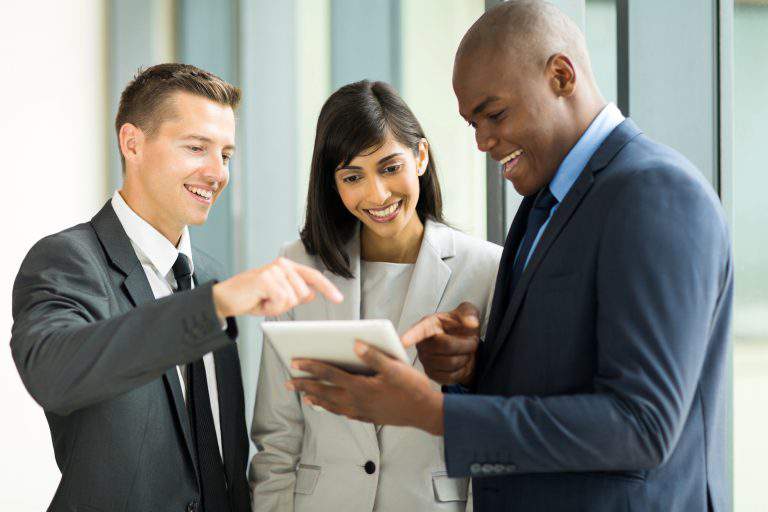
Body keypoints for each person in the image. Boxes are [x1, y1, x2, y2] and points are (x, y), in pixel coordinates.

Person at [288, 2, 733, 511]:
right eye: (473, 122)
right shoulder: (541, 208)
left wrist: (432, 411)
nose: (482, 141)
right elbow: (563, 379)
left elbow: (642, 426)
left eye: (494, 114)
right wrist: (472, 366)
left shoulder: (655, 193)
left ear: (561, 76)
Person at [10, 63, 342, 512]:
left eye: (225, 155)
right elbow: (53, 375)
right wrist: (214, 306)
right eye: (196, 148)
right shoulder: (69, 260)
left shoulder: (208, 275)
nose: (217, 173)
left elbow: (223, 457)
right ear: (133, 143)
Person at [249, 80, 502, 511]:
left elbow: (491, 433)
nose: (377, 195)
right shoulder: (299, 269)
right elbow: (277, 438)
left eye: (389, 167)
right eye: (353, 177)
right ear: (334, 183)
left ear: (420, 157)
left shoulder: (484, 270)